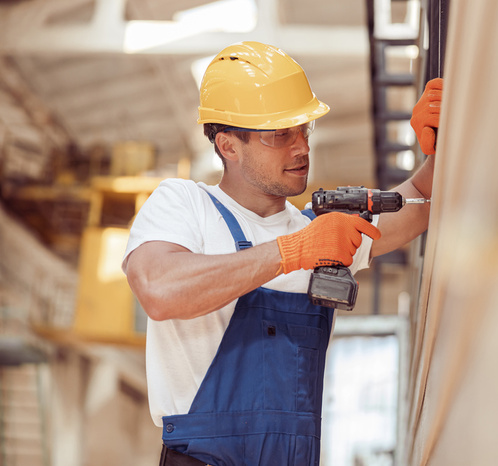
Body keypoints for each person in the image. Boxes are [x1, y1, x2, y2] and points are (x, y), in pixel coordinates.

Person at [122, 41, 442, 466]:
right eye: (280, 134)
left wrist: (445, 140)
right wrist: (291, 252)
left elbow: (419, 201)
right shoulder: (186, 204)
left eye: (304, 129)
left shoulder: (322, 231)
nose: (301, 148)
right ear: (228, 146)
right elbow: (158, 289)